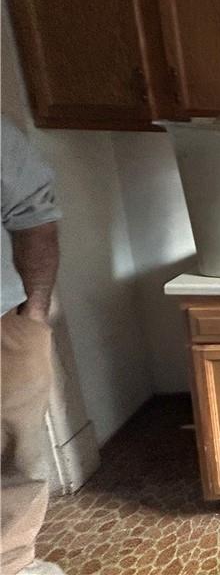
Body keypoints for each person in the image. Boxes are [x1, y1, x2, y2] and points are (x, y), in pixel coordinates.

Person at [1, 117, 63, 575]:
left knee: (15, 460)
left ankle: (14, 563)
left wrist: (36, 311)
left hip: (4, 324)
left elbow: (33, 216)